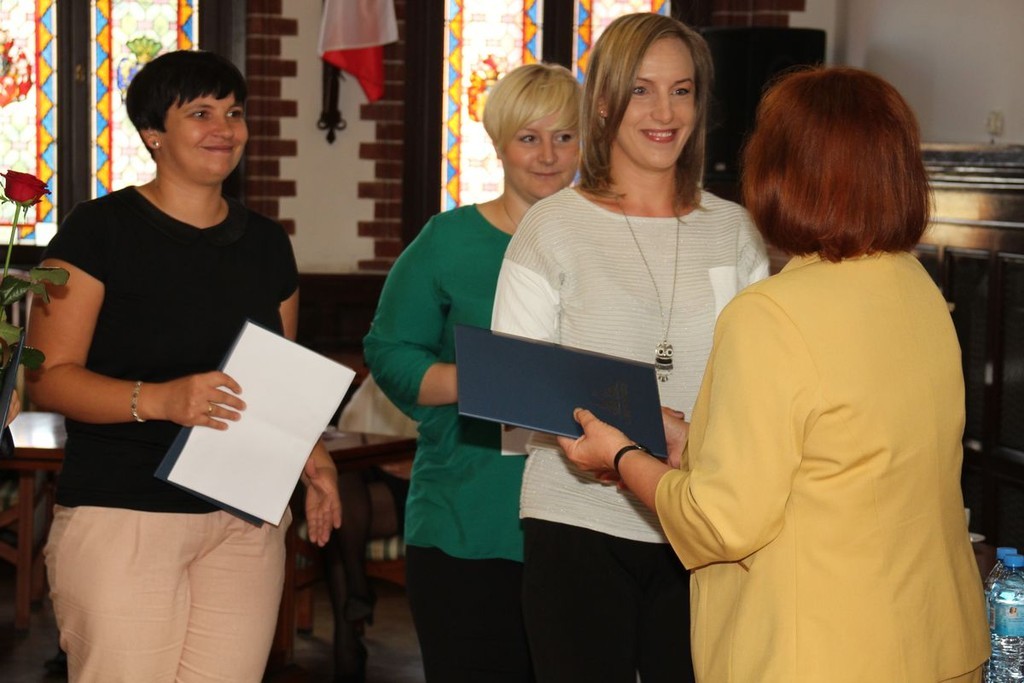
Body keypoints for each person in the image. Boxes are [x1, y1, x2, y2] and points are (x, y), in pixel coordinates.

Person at [558, 66, 990, 682]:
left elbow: (721, 522)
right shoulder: (915, 286)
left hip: (822, 653)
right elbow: (844, 454)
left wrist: (622, 455)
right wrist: (691, 442)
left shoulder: (771, 313)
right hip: (934, 641)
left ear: (779, 173)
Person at [26, 50, 342, 683]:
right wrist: (162, 399)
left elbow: (276, 384)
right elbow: (48, 378)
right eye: (200, 113)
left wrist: (315, 459)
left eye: (234, 113)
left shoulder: (267, 243)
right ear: (153, 133)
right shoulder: (98, 230)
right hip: (124, 512)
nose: (224, 128)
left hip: (243, 517)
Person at [490, 13, 768, 683]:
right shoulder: (552, 226)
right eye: (642, 90)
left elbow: (762, 383)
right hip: (577, 520)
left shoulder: (735, 230)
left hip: (702, 524)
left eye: (682, 90)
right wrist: (636, 432)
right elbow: (515, 388)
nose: (664, 112)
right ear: (604, 102)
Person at [363, 62, 581, 682]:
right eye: (529, 138)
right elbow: (390, 351)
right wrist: (483, 380)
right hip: (469, 513)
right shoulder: (448, 241)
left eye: (564, 137)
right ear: (499, 144)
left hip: (585, 517)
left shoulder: (610, 241)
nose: (548, 155)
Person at [325, 375, 415, 683]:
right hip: (374, 475)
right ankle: (358, 589)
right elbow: (352, 423)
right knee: (339, 488)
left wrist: (420, 463)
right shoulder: (385, 372)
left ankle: (348, 642)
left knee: (337, 519)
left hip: (419, 482)